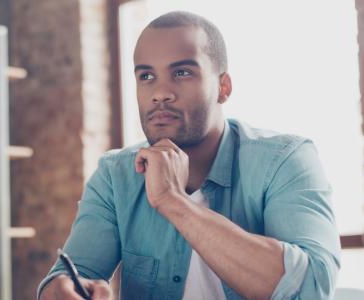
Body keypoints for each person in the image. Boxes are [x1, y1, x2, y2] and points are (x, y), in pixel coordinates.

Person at [38, 11, 340, 300]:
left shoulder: (285, 160)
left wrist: (174, 201)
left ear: (223, 87)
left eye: (182, 73)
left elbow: (312, 288)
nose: (160, 92)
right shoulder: (115, 175)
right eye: (146, 76)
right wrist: (60, 290)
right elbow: (69, 276)